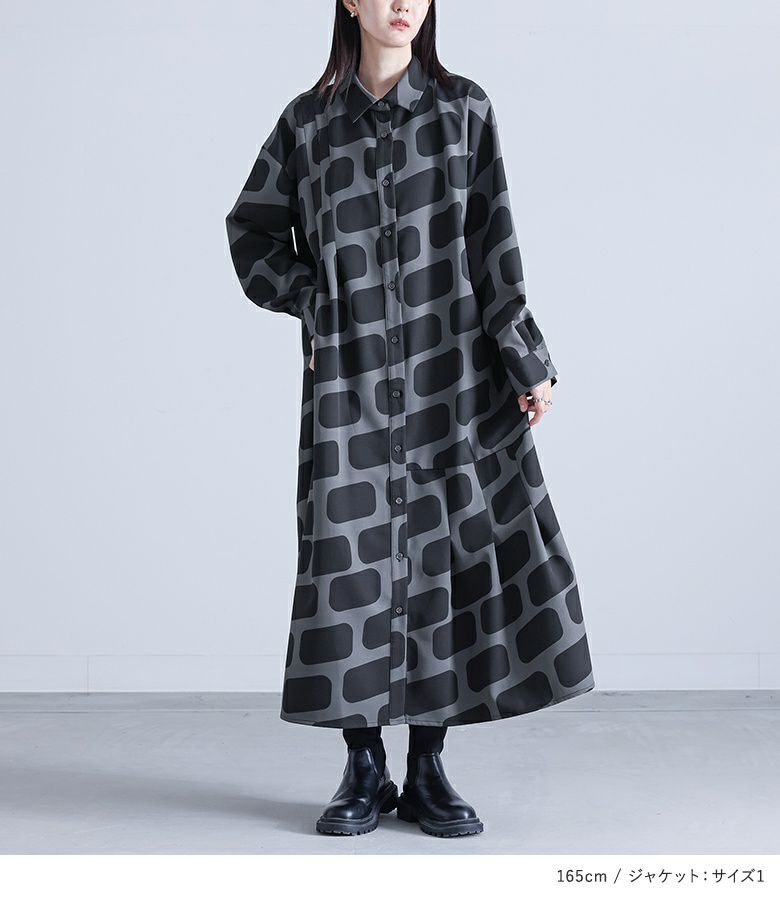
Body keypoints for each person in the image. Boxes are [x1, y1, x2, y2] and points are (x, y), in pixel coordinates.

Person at [224, 0, 595, 839]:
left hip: (452, 379)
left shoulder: (465, 111)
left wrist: (525, 357)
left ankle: (428, 766)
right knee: (347, 562)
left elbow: (494, 242)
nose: (402, 4)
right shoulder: (308, 125)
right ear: (348, 1)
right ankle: (363, 766)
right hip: (349, 384)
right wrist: (316, 301)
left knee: (444, 560)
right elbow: (251, 232)